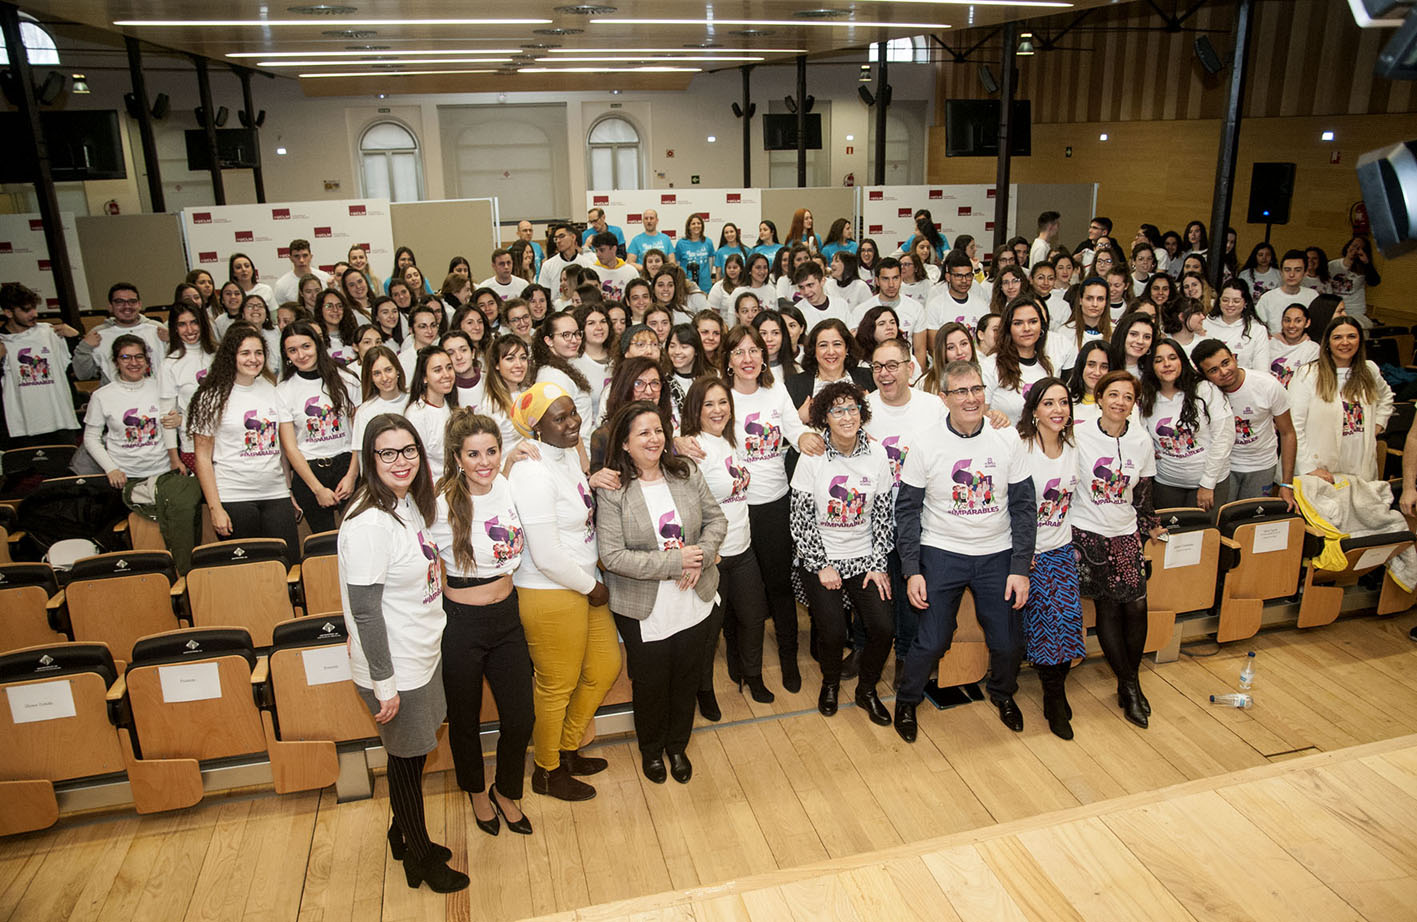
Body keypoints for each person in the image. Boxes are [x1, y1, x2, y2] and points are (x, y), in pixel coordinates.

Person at [339, 414, 469, 892]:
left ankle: (401, 833)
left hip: (421, 654)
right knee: (407, 762)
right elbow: (366, 613)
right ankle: (421, 859)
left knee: (414, 756)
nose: (401, 461)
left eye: (409, 450)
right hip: (395, 669)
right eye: (387, 453)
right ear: (370, 459)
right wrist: (384, 683)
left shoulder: (406, 503)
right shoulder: (370, 523)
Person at [892, 360, 1036, 742]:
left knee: (1007, 641)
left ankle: (1003, 693)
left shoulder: (1008, 439)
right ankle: (907, 700)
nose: (970, 399)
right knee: (933, 640)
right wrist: (912, 570)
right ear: (944, 399)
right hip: (942, 551)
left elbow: (1024, 507)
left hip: (997, 553)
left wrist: (1020, 567)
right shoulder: (924, 443)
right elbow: (906, 512)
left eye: (976, 390)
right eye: (960, 392)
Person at [677, 326, 824, 692]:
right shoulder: (719, 397)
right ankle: (739, 663)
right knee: (729, 593)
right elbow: (691, 430)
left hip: (773, 504)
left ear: (764, 355)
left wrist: (806, 436)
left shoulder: (776, 392)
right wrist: (678, 440)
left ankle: (789, 659)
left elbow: (794, 429)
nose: (748, 359)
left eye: (754, 350)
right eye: (739, 352)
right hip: (730, 511)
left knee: (777, 587)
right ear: (727, 359)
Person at [596, 401, 726, 783]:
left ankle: (677, 746)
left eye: (658, 430)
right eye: (643, 433)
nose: (654, 439)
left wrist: (699, 557)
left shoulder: (685, 471)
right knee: (652, 684)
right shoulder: (613, 490)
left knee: (686, 677)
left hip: (693, 597)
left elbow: (717, 519)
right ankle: (651, 751)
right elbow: (612, 556)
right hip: (644, 605)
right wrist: (676, 562)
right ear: (624, 443)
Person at [508, 382, 620, 801]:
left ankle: (567, 747)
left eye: (573, 412)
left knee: (604, 666)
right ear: (537, 426)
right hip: (550, 589)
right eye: (560, 417)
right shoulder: (531, 470)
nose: (572, 422)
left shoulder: (569, 456)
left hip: (583, 582)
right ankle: (546, 769)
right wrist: (593, 586)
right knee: (556, 685)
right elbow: (547, 552)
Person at [428, 410, 534, 837]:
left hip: (507, 616)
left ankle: (506, 790)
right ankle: (475, 791)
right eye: (474, 454)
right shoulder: (438, 503)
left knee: (520, 717)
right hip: (461, 623)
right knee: (465, 719)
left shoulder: (507, 486)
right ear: (457, 456)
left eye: (491, 451)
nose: (484, 461)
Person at [790, 380, 895, 724]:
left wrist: (879, 563)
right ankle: (831, 683)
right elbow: (801, 518)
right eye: (837, 410)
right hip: (822, 558)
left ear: (862, 414)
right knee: (832, 631)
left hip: (865, 557)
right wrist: (822, 565)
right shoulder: (813, 457)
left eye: (852, 408)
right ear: (824, 418)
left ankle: (867, 689)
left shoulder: (878, 454)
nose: (846, 416)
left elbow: (882, 513)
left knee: (883, 627)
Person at [1071, 369, 1164, 728]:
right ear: (1100, 396)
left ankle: (1129, 681)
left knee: (1137, 605)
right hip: (1088, 531)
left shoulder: (1141, 440)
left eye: (1128, 397)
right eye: (1113, 394)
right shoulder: (1078, 434)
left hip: (1124, 532)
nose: (1120, 402)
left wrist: (1150, 525)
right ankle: (1130, 686)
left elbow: (1141, 494)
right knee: (1109, 607)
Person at [679, 377, 774, 705]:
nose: (718, 410)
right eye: (709, 404)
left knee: (753, 618)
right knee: (709, 632)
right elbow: (687, 510)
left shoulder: (733, 440)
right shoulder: (692, 448)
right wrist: (707, 553)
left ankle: (753, 676)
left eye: (723, 402)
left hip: (743, 549)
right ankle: (704, 690)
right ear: (696, 409)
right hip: (713, 558)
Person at [864, 338, 944, 677]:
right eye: (878, 367)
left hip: (922, 516)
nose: (885, 374)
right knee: (880, 590)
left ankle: (905, 655)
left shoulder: (933, 407)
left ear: (910, 368)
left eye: (893, 365)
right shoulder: (862, 407)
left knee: (912, 586)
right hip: (875, 517)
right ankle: (867, 649)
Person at [187, 323, 300, 563]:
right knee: (247, 572)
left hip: (275, 494)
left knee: (289, 564)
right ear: (231, 356)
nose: (254, 359)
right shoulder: (211, 396)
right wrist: (215, 508)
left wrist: (287, 489)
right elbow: (202, 458)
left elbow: (280, 449)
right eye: (245, 353)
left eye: (259, 353)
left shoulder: (270, 389)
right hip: (234, 497)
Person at [1014, 377, 1085, 740]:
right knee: (1046, 627)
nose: (1058, 410)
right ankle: (1053, 697)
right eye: (1048, 403)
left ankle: (1054, 689)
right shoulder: (1021, 448)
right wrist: (1019, 554)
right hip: (1028, 554)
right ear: (1034, 411)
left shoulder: (1074, 447)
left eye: (1063, 403)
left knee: (1068, 625)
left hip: (1061, 548)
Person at [277, 321, 359, 534]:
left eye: (306, 346)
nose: (301, 355)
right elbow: (290, 448)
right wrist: (317, 489)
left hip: (347, 465)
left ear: (317, 345)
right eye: (292, 350)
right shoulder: (283, 390)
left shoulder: (346, 379)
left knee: (357, 535)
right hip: (309, 473)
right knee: (324, 544)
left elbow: (360, 433)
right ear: (286, 355)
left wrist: (351, 476)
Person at [1289, 316, 1393, 483]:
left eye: (1351, 336)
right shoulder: (1308, 373)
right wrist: (1308, 467)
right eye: (1338, 337)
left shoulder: (1370, 370)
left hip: (1360, 466)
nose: (1345, 342)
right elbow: (1294, 425)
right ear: (1328, 343)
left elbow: (1386, 397)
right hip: (1320, 468)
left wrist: (1378, 423)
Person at [1194, 339, 1297, 506]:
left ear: (1234, 358)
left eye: (1226, 362)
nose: (1224, 371)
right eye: (1213, 370)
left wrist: (1286, 483)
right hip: (1224, 467)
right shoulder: (1205, 393)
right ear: (1205, 375)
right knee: (1223, 520)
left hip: (1262, 465)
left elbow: (1288, 433)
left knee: (1252, 521)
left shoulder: (1267, 385)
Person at [1138, 338, 1235, 511]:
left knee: (1204, 536)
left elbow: (1224, 439)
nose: (1167, 364)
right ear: (1151, 366)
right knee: (1170, 536)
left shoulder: (1205, 389)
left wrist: (1207, 484)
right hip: (1166, 484)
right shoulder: (1145, 398)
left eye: (1172, 358)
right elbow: (1141, 437)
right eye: (1159, 360)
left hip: (1209, 484)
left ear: (1182, 360)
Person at [84, 334, 183, 490]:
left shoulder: (162, 387)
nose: (134, 363)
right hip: (124, 477)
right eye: (126, 357)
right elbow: (90, 438)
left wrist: (180, 419)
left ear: (146, 360)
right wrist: (111, 469)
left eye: (139, 357)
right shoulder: (101, 396)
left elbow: (180, 419)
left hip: (164, 472)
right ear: (116, 362)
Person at [0, 282, 80, 447]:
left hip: (60, 423)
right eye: (26, 310)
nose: (34, 314)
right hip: (22, 428)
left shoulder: (49, 333)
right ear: (8, 312)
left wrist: (75, 338)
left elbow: (78, 367)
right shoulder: (2, 343)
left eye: (34, 308)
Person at [73, 283, 167, 385]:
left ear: (139, 304)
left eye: (132, 301)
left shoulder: (158, 329)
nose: (127, 306)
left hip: (154, 395)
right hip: (115, 397)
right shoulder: (98, 334)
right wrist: (85, 347)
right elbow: (83, 375)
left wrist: (172, 341)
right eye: (119, 302)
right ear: (110, 306)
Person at [981, 297, 1055, 425]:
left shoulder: (1047, 365)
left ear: (1041, 326)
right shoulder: (990, 366)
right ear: (1008, 328)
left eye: (1033, 321)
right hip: (1003, 441)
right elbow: (979, 416)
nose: (1026, 328)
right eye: (1018, 323)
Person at [852, 257, 926, 365]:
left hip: (904, 369)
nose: (891, 284)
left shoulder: (916, 308)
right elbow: (856, 349)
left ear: (901, 279)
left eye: (895, 278)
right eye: (885, 279)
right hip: (870, 370)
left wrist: (917, 379)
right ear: (877, 281)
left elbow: (920, 350)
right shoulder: (861, 311)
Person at [403, 346, 458, 482]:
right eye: (437, 370)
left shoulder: (450, 403)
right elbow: (416, 462)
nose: (446, 375)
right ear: (424, 378)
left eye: (449, 367)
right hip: (435, 488)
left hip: (457, 482)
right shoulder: (416, 415)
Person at [1208, 279, 1270, 372]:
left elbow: (1262, 370)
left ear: (1245, 303)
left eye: (1236, 301)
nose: (1230, 304)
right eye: (1225, 300)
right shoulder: (1205, 323)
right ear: (1219, 301)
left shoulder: (1257, 329)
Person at [1255, 250, 1318, 332]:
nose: (1292, 274)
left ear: (1305, 272)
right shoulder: (1267, 298)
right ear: (1281, 272)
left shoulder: (1313, 296)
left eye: (1297, 270)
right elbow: (1256, 327)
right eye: (1287, 270)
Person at [1328, 236, 1380, 325]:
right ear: (1348, 247)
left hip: (1356, 311)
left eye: (1359, 248)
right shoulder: (1332, 265)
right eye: (1354, 246)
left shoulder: (1363, 268)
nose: (1355, 250)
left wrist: (1367, 263)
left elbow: (1374, 282)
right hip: (1335, 308)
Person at [1268, 302, 1320, 388]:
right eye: (1287, 320)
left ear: (1307, 323)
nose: (1291, 325)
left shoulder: (1313, 349)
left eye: (1298, 321)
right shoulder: (1269, 343)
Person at [539, 223, 591, 295]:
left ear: (573, 237)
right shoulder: (548, 265)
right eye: (556, 238)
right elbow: (544, 293)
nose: (558, 241)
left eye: (562, 236)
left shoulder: (587, 264)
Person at [273, 238, 326, 306]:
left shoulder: (325, 278)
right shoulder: (281, 285)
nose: (301, 260)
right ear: (291, 258)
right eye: (296, 256)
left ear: (311, 256)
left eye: (305, 256)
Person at [675, 214, 716, 294]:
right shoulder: (681, 244)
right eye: (693, 224)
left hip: (705, 285)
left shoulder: (708, 242)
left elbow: (711, 262)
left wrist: (708, 276)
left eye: (699, 223)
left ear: (702, 226)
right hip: (687, 284)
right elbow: (677, 264)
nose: (696, 226)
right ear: (688, 226)